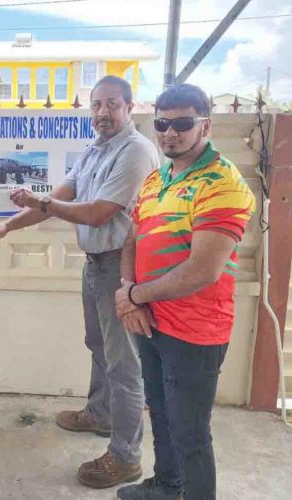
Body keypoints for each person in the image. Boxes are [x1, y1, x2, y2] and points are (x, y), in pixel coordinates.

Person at [0, 75, 160, 489]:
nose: (102, 113)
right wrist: (7, 226)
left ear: (129, 107)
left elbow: (98, 212)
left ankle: (126, 457)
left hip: (122, 267)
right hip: (95, 265)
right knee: (99, 346)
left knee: (124, 365)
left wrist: (43, 201)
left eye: (111, 105)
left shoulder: (136, 152)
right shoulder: (95, 149)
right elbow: (58, 199)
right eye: (96, 105)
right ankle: (100, 414)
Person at [114, 84, 256, 500]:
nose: (169, 132)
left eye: (182, 123)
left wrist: (136, 296)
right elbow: (132, 241)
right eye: (162, 123)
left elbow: (203, 270)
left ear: (205, 125)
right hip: (152, 320)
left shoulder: (222, 182)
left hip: (195, 330)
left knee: (191, 432)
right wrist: (128, 293)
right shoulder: (158, 178)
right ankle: (167, 484)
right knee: (160, 412)